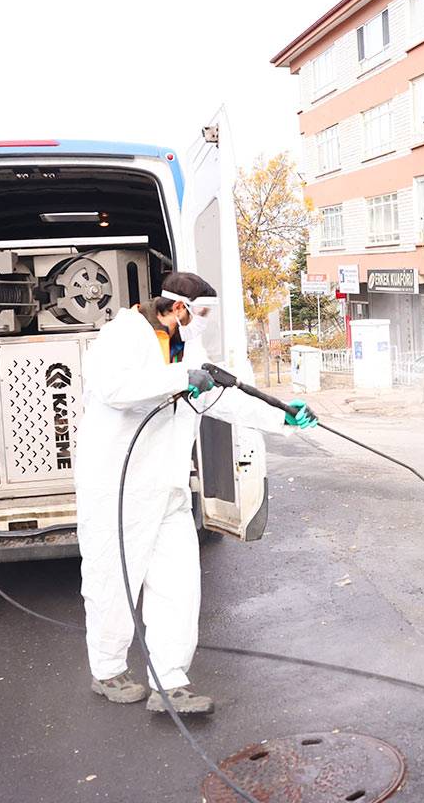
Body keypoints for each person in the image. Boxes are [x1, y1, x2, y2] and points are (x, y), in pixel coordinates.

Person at [73, 271, 315, 713]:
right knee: (113, 579)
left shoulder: (187, 347)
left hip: (168, 485)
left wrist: (282, 415)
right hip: (118, 485)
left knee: (179, 585)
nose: (202, 322)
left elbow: (219, 398)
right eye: (200, 313)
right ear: (178, 308)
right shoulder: (120, 336)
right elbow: (116, 389)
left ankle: (171, 682)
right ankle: (107, 669)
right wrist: (180, 377)